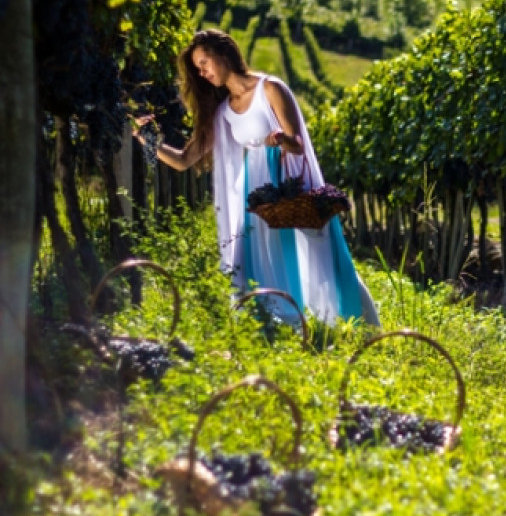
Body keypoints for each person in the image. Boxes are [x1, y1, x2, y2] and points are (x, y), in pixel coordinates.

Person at [132, 29, 380, 327]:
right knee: (244, 260)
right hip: (258, 194)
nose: (202, 72)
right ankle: (266, 328)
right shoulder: (223, 111)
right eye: (198, 69)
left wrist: (280, 138)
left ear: (224, 54)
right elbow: (185, 160)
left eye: (205, 63)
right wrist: (149, 140)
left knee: (323, 253)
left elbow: (297, 143)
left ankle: (369, 326)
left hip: (290, 186)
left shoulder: (270, 89)